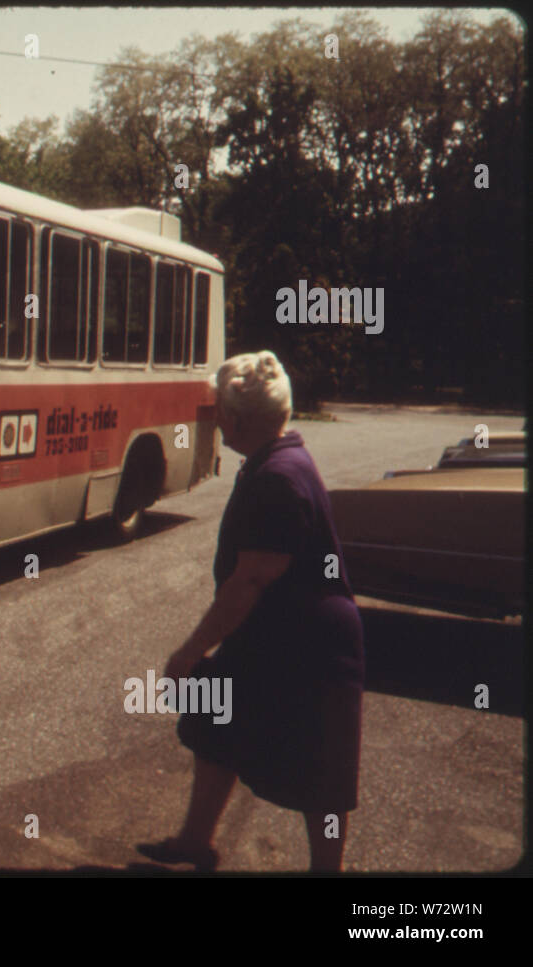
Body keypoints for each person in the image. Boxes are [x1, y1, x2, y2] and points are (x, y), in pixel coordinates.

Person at [138, 350, 365, 872]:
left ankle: (328, 871)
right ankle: (195, 842)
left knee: (321, 770)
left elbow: (250, 581)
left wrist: (191, 650)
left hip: (308, 644)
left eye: (220, 409)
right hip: (273, 633)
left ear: (236, 419)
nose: (216, 417)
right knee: (215, 724)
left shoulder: (277, 479)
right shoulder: (278, 459)